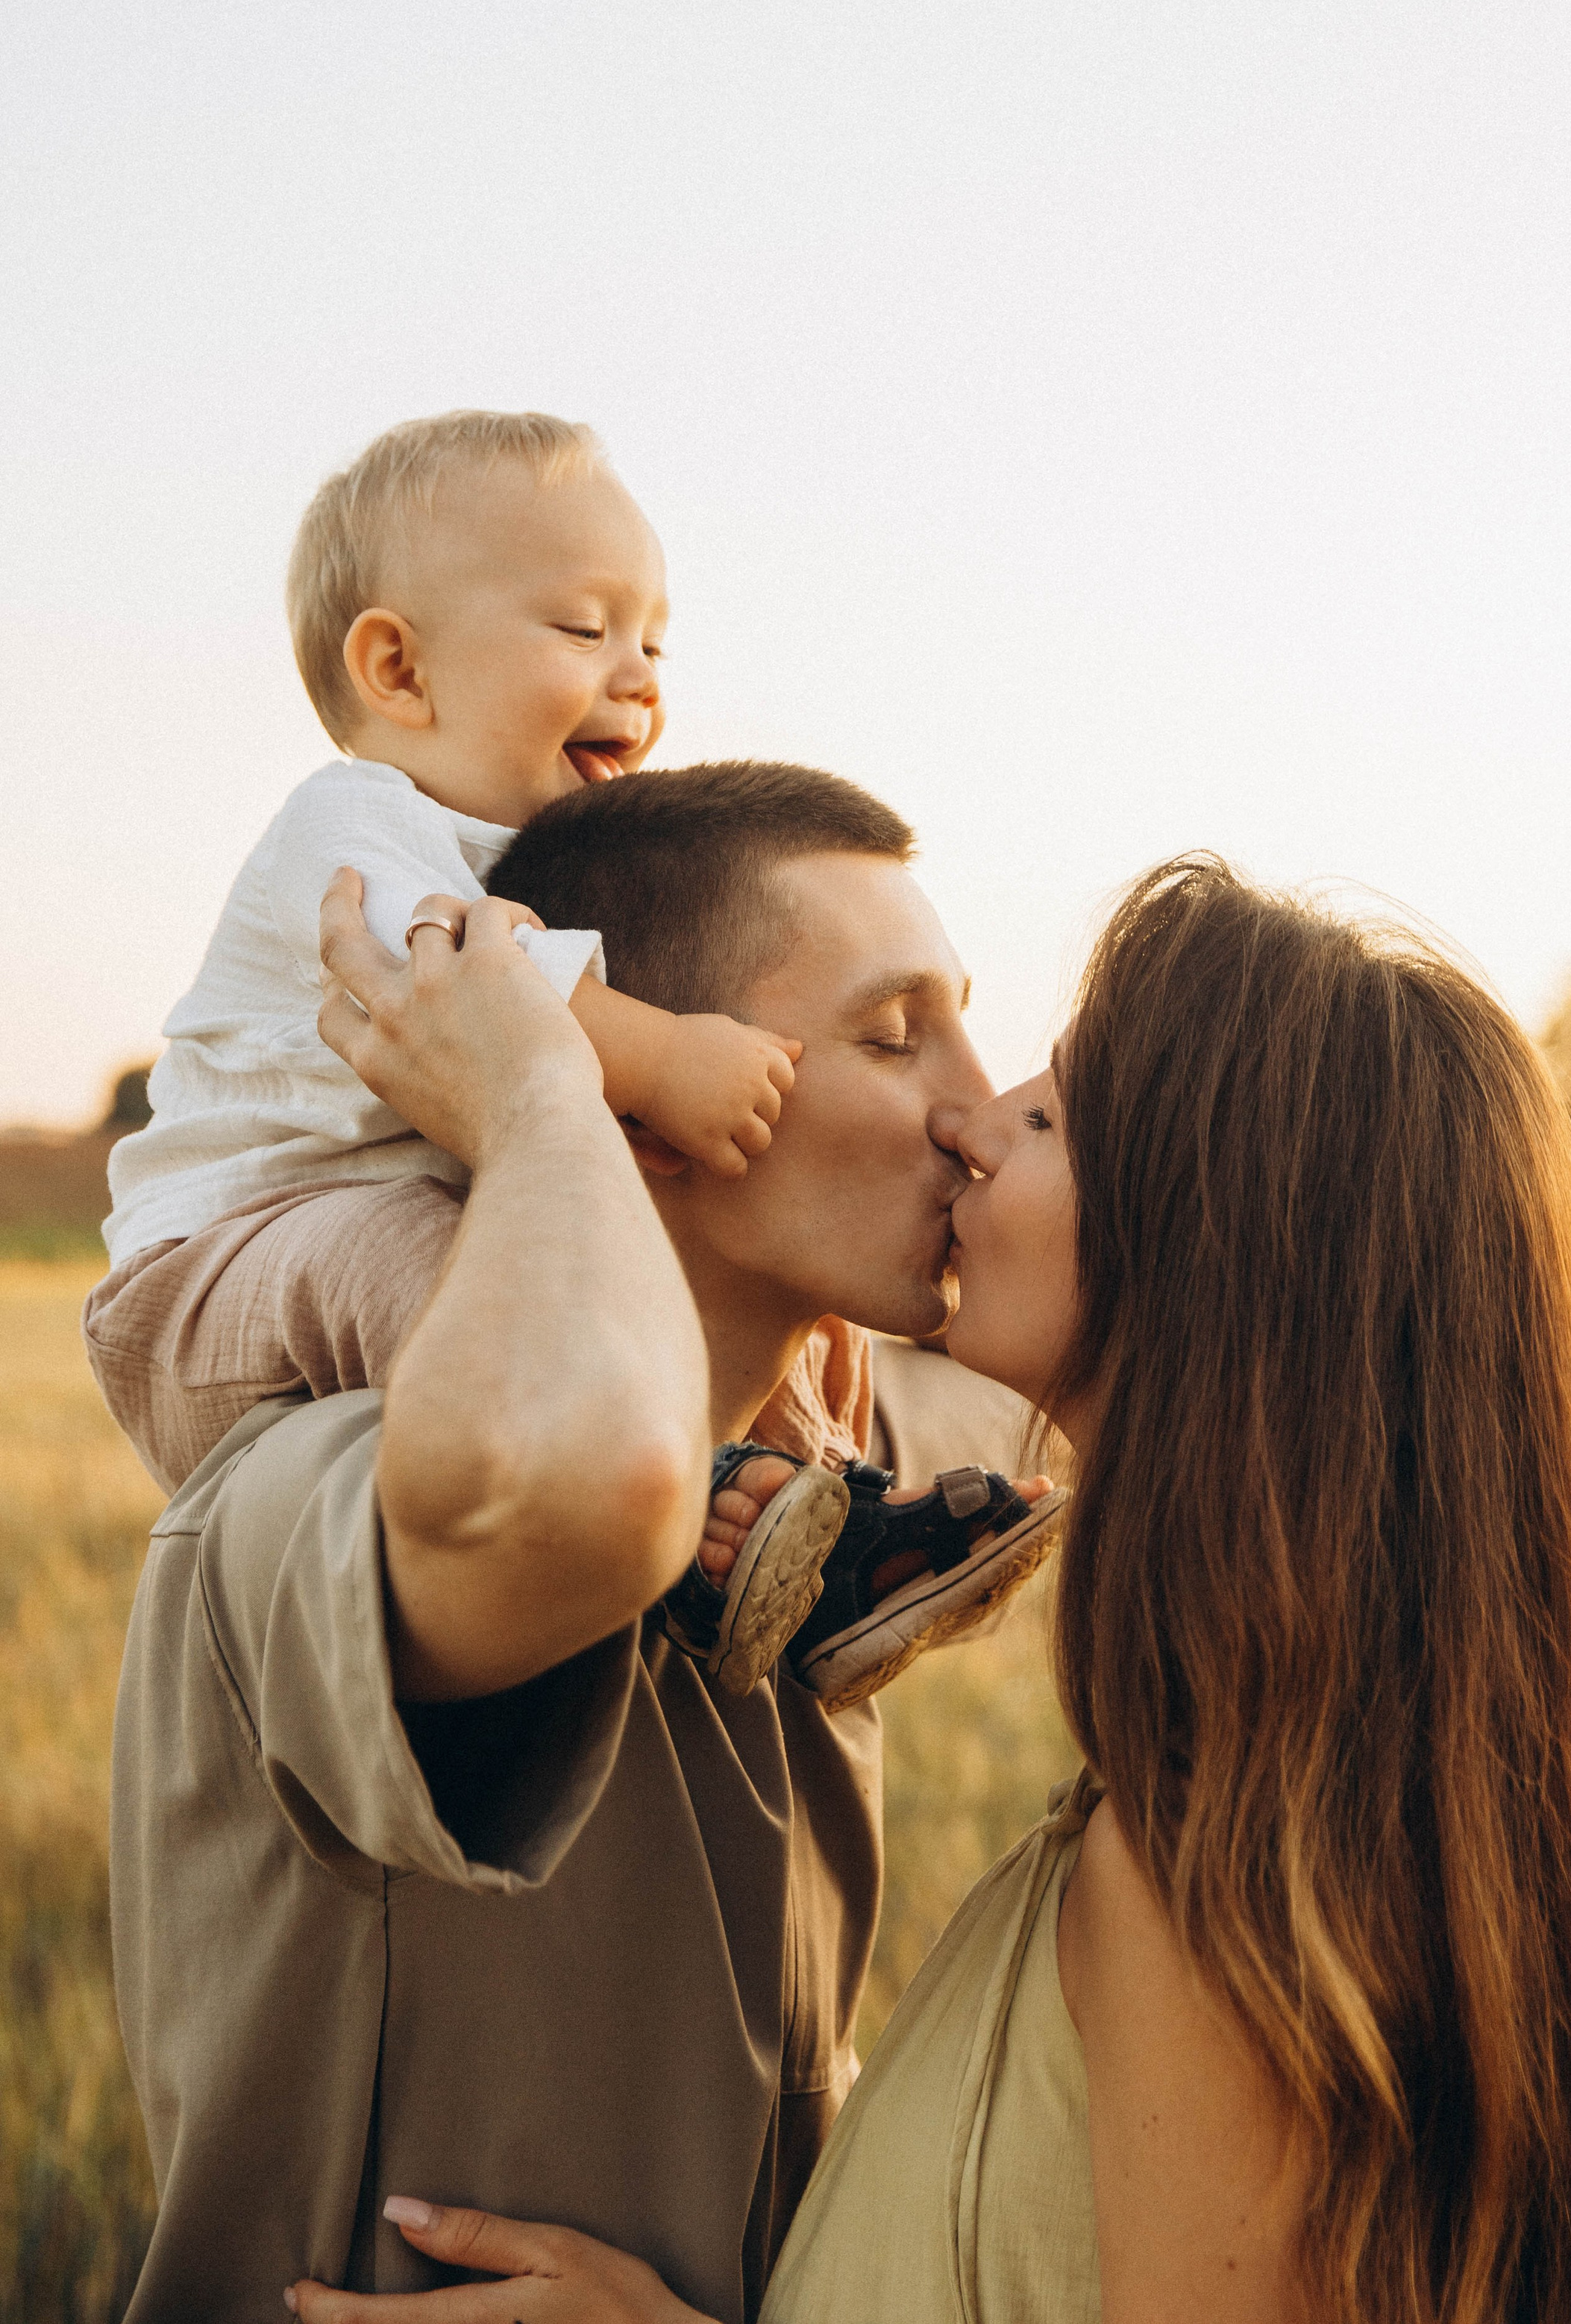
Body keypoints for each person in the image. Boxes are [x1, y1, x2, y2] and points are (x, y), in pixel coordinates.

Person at [291, 856, 1571, 2324]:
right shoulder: (1274, 1814)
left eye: (1052, 1111)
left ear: (1222, 1250)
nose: (974, 1124)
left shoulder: (1207, 1900)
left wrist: (542, 1093)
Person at [110, 764, 1053, 2324]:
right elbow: (586, 1476)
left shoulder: (810, 1538)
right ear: (655, 1109)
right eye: (894, 1038)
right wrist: (541, 1085)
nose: (973, 1113)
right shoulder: (309, 1494)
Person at [87, 412, 1049, 1689]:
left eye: (654, 640)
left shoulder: (542, 880)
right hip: (215, 1264)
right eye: (586, 631)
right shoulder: (351, 824)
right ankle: (694, 1495)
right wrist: (660, 1056)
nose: (639, 674)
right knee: (427, 1241)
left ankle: (815, 1524)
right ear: (399, 669)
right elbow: (462, 991)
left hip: (371, 1223)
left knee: (795, 1325)